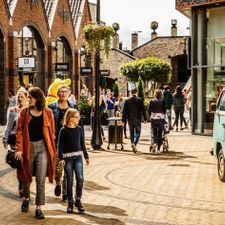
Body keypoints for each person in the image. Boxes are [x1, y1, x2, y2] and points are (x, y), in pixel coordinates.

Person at [15, 87, 56, 219]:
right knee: (26, 177)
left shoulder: (48, 112)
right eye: (28, 97)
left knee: (40, 178)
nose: (28, 99)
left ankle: (39, 207)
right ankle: (26, 198)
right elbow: (19, 131)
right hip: (28, 148)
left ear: (38, 98)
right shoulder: (24, 112)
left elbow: (52, 132)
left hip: (43, 148)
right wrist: (19, 149)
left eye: (30, 97)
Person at [48, 84, 81, 201]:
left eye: (65, 91)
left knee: (68, 169)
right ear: (57, 93)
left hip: (70, 142)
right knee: (58, 168)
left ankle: (66, 192)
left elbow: (78, 122)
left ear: (69, 93)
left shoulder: (73, 106)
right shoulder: (51, 106)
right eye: (60, 91)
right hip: (56, 141)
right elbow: (47, 122)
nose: (62, 93)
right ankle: (58, 182)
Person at [58, 108, 89, 213]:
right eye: (76, 117)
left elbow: (82, 143)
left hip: (78, 158)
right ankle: (70, 203)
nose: (78, 119)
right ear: (70, 118)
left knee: (80, 179)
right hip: (67, 159)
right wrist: (61, 158)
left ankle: (78, 200)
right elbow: (60, 146)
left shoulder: (79, 129)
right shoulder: (63, 130)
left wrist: (86, 155)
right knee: (70, 181)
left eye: (79, 116)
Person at [3, 87, 28, 197]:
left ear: (27, 98)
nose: (19, 98)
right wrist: (5, 138)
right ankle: (21, 184)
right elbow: (8, 126)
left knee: (25, 164)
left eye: (22, 97)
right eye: (18, 97)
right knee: (19, 164)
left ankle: (24, 184)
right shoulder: (13, 111)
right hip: (15, 140)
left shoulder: (30, 110)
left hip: (27, 140)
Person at [122, 89, 147, 153]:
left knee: (131, 132)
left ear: (131, 93)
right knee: (138, 132)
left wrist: (123, 120)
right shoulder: (139, 100)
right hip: (137, 118)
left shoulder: (127, 101)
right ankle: (134, 143)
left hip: (130, 119)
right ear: (136, 93)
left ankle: (132, 142)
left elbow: (124, 111)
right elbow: (143, 110)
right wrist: (145, 118)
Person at [149, 89, 166, 153]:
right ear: (161, 94)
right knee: (160, 133)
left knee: (154, 132)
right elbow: (164, 110)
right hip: (161, 118)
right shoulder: (163, 101)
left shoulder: (152, 101)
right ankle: (158, 149)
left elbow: (149, 110)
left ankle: (155, 143)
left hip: (153, 118)